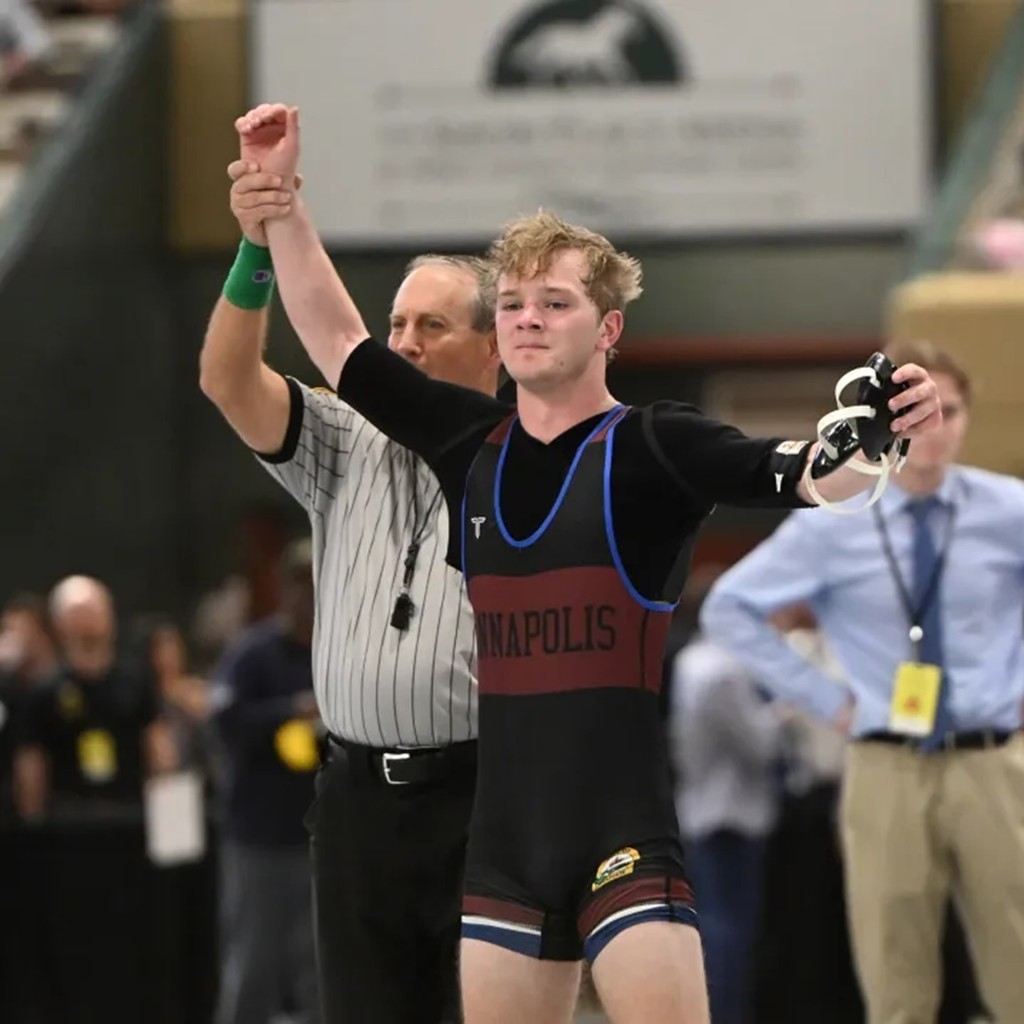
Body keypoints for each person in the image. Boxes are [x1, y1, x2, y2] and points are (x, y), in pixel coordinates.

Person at [237, 101, 941, 1023]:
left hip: (625, 839)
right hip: (503, 852)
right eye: (515, 305)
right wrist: (282, 205)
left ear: (607, 330)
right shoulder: (467, 448)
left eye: (556, 304)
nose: (529, 320)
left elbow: (810, 475)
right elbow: (338, 341)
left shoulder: (654, 446)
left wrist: (882, 440)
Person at [199, 132, 501, 1024]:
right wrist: (257, 245)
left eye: (432, 327)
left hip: (483, 797)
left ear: (492, 350)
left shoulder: (521, 462)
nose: (402, 345)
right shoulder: (340, 437)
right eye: (395, 324)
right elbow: (226, 378)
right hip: (359, 800)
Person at [701, 340, 1024, 1024]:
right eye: (909, 413)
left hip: (997, 761)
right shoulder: (837, 522)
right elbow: (730, 606)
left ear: (966, 414)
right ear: (884, 421)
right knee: (893, 970)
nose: (930, 427)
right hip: (884, 761)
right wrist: (827, 701)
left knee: (1017, 964)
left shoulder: (1009, 510)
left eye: (947, 409)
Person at [211, 538, 320, 1024]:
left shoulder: (336, 652)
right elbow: (225, 725)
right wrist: (290, 712)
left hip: (320, 838)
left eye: (316, 582)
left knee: (319, 968)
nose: (309, 596)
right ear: (283, 589)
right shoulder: (253, 655)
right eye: (299, 584)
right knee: (254, 964)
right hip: (258, 840)